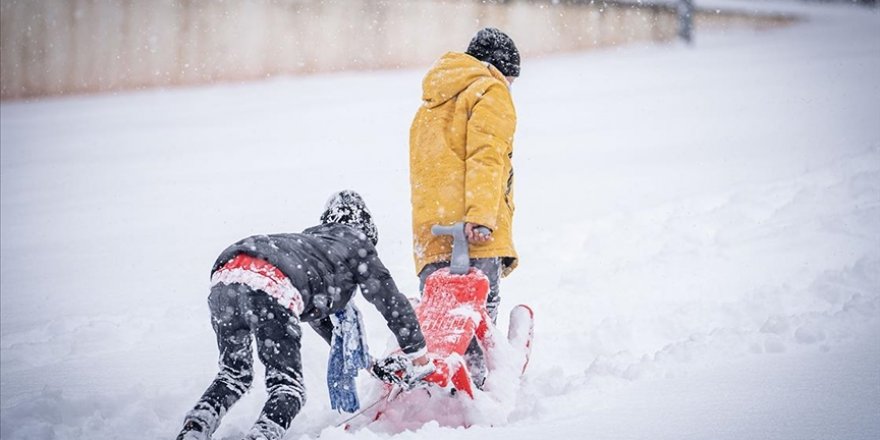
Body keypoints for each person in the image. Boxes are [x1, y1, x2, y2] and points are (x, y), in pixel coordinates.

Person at [177, 190, 432, 440]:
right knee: (288, 389)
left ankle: (194, 429)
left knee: (234, 376)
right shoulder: (356, 244)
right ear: (367, 230)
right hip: (270, 284)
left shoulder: (310, 248)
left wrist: (371, 365)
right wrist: (420, 359)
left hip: (227, 276)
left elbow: (324, 323)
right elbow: (392, 302)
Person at [409, 27, 521, 387]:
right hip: (473, 229)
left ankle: (441, 384)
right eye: (512, 79)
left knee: (442, 321)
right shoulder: (490, 90)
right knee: (478, 314)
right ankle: (480, 385)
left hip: (430, 232)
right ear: (500, 69)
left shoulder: (431, 102)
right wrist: (481, 217)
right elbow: (486, 158)